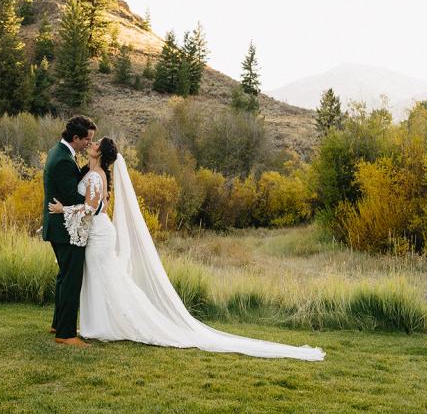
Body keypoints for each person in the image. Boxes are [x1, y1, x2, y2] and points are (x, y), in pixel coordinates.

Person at [49, 137, 325, 361]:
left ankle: (113, 323)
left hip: (99, 235)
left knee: (105, 278)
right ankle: (97, 324)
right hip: (98, 234)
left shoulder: (96, 176)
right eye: (91, 142)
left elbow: (92, 208)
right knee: (100, 278)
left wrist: (63, 209)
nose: (91, 144)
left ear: (102, 153)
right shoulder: (92, 172)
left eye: (96, 144)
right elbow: (101, 206)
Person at [41, 114, 95, 347]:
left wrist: (92, 168)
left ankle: (58, 323)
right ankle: (66, 334)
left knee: (64, 277)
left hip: (58, 227)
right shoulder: (63, 159)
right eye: (87, 139)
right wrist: (96, 200)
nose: (89, 143)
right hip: (65, 229)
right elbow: (72, 196)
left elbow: (71, 181)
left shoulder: (60, 152)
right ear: (76, 137)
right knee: (71, 279)